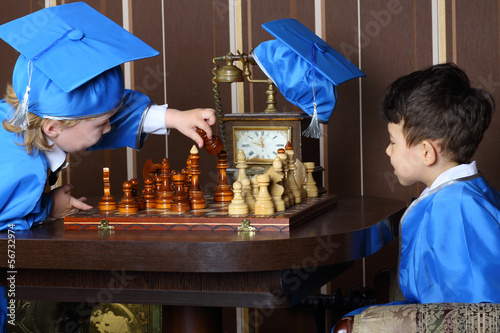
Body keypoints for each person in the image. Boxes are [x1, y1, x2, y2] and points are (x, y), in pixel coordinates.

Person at [0, 3, 216, 231]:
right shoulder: (20, 172)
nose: (109, 129)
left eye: (110, 119)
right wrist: (48, 207)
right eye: (102, 123)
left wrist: (175, 118)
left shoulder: (24, 113)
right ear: (53, 128)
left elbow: (103, 117)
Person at [333, 62, 500, 331]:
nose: (388, 151)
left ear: (426, 152)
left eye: (393, 141)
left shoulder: (457, 207)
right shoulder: (460, 194)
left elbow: (478, 316)